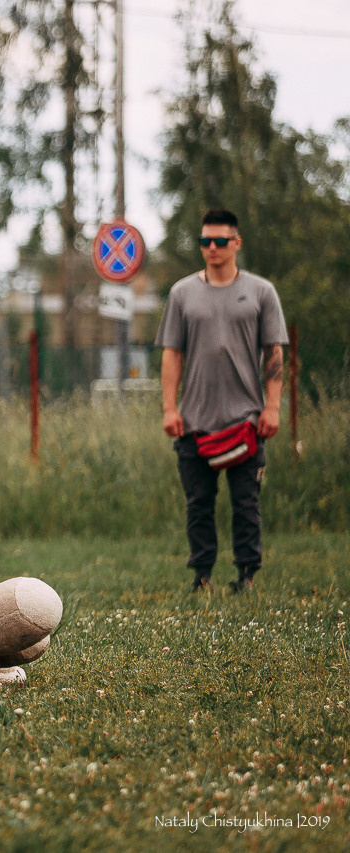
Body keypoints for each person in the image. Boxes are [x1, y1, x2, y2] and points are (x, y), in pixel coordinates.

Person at [154, 208, 287, 594]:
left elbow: (273, 351)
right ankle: (202, 576)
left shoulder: (261, 292)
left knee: (246, 504)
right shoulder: (182, 293)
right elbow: (171, 353)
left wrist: (273, 407)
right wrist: (169, 407)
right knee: (198, 505)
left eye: (220, 241)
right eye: (204, 241)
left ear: (236, 243)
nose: (211, 248)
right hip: (194, 421)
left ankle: (246, 574)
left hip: (246, 420)